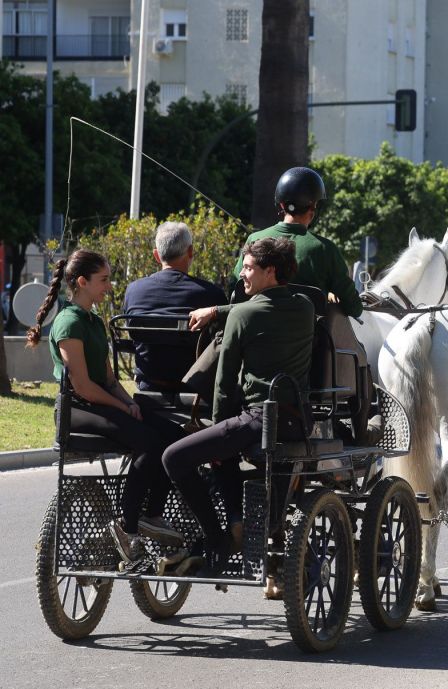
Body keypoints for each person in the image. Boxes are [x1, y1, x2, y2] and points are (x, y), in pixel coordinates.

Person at [162, 237, 315, 574]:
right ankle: (237, 520)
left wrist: (216, 426)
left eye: (248, 268)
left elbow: (224, 381)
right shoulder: (306, 307)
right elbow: (265, 306)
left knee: (174, 457)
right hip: (297, 423)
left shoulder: (243, 316)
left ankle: (219, 535)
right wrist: (221, 310)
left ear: (270, 271)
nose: (242, 275)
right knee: (225, 447)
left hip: (258, 421)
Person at [26, 250, 185, 563]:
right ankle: (128, 528)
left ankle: (151, 514)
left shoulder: (94, 322)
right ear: (82, 282)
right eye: (104, 280)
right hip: (79, 411)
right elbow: (83, 386)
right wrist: (123, 409)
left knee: (173, 437)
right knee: (149, 444)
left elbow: (110, 380)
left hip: (102, 404)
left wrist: (130, 403)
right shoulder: (69, 323)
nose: (110, 286)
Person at [188, 166, 361, 331]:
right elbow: (354, 308)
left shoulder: (254, 240)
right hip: (308, 350)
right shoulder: (325, 249)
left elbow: (236, 291)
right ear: (314, 208)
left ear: (281, 205)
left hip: (253, 336)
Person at [123, 221, 225, 392]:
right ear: (190, 251)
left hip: (149, 384)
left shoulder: (134, 291)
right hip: (196, 389)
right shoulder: (212, 295)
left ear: (156, 255)